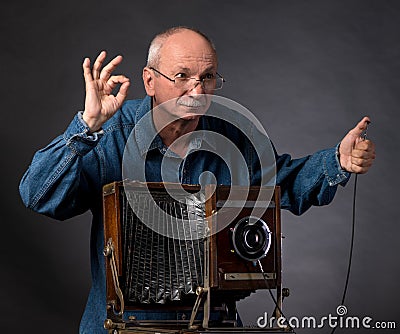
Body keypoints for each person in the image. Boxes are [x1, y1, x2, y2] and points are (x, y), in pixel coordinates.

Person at [19, 26, 375, 334]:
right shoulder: (111, 133)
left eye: (207, 77)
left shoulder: (234, 137)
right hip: (124, 322)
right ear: (149, 80)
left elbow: (283, 185)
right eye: (182, 76)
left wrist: (338, 161)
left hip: (212, 320)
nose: (197, 90)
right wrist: (87, 127)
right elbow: (38, 195)